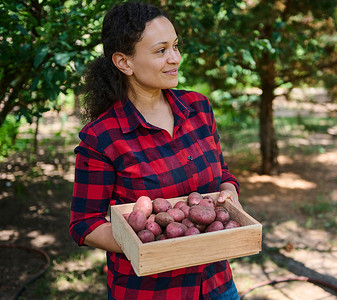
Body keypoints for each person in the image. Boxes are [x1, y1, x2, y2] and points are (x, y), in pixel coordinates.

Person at [69, 2, 241, 299]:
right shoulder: (102, 138)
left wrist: (229, 192)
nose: (175, 59)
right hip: (151, 291)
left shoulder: (198, 108)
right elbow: (84, 224)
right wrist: (146, 242)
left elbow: (222, 174)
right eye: (161, 51)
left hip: (216, 283)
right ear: (124, 62)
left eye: (176, 46)